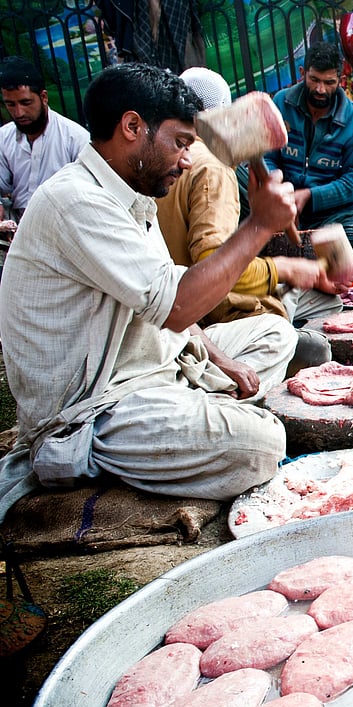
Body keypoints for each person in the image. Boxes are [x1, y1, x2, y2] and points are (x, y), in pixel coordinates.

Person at [0, 62, 300, 521]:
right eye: (180, 143)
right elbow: (177, 307)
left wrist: (221, 358)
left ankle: (193, 414)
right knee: (262, 443)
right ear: (132, 127)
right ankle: (103, 454)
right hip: (95, 406)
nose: (186, 158)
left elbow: (168, 296)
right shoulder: (76, 201)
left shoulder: (133, 197)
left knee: (277, 334)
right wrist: (259, 226)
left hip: (154, 361)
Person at [158, 66, 347, 373]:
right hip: (205, 313)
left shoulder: (165, 158)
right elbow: (211, 263)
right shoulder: (212, 168)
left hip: (182, 299)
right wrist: (284, 268)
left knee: (326, 302)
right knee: (314, 346)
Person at [259, 41, 353, 265]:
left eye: (328, 82)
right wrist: (281, 191)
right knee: (239, 182)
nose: (320, 89)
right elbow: (267, 157)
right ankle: (309, 252)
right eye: (314, 80)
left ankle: (288, 252)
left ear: (340, 80)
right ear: (303, 73)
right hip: (281, 207)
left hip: (332, 215)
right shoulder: (280, 103)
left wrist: (309, 197)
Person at [0, 57, 89, 223]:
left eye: (25, 102)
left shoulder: (75, 138)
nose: (19, 113)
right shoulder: (3, 137)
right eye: (10, 104)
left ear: (44, 97)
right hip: (18, 226)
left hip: (65, 225)